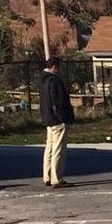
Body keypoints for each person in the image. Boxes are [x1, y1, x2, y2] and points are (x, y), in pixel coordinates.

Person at [39, 59, 74, 187]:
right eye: (60, 67)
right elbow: (57, 102)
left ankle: (47, 176)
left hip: (48, 119)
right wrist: (62, 117)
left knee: (50, 148)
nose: (61, 69)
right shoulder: (54, 80)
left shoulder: (43, 80)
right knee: (58, 150)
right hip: (57, 120)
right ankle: (56, 178)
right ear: (55, 67)